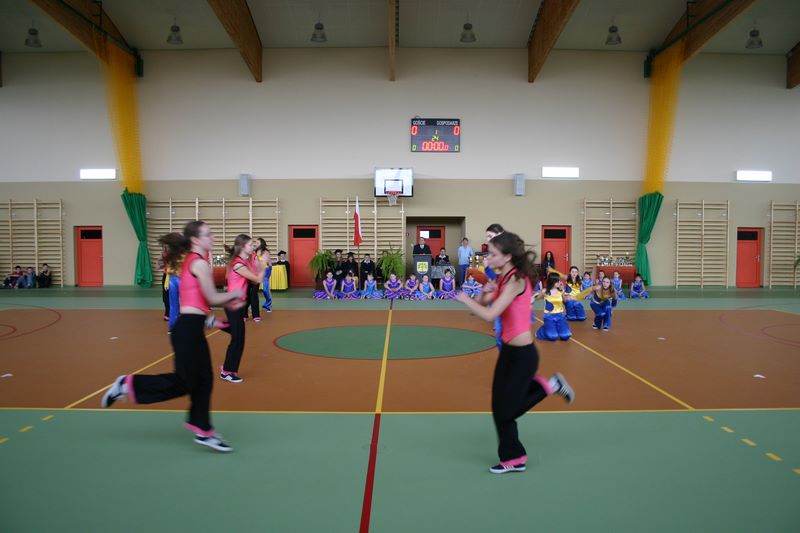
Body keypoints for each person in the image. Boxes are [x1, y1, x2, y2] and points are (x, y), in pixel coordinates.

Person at [100, 221, 244, 452]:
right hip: (187, 330)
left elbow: (195, 301)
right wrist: (235, 294)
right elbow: (211, 298)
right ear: (195, 239)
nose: (213, 237)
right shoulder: (199, 263)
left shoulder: (191, 261)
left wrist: (211, 319)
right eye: (208, 234)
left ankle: (203, 429)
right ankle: (126, 384)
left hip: (191, 328)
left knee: (204, 379)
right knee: (184, 382)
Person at [455, 231, 574, 474]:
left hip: (523, 356)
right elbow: (483, 303)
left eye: (493, 254)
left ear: (507, 256)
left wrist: (466, 299)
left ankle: (549, 386)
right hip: (509, 352)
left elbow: (490, 314)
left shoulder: (516, 281)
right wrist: (483, 291)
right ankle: (514, 457)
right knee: (498, 406)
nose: (488, 258)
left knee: (506, 411)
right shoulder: (503, 277)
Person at [221, 234, 266, 383]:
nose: (253, 246)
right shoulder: (238, 264)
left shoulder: (242, 261)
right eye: (250, 245)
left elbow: (253, 279)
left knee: (237, 334)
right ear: (242, 247)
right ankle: (227, 371)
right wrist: (263, 266)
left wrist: (258, 265)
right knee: (238, 339)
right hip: (233, 304)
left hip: (238, 304)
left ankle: (215, 322)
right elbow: (257, 279)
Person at [535, 272, 572, 341]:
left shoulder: (561, 291)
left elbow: (565, 301)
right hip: (549, 316)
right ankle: (541, 331)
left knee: (566, 335)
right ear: (552, 281)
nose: (559, 282)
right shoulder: (545, 291)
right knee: (553, 337)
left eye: (559, 280)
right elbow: (535, 298)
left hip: (560, 315)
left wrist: (564, 292)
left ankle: (554, 327)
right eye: (557, 281)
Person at [255, 240, 273, 312]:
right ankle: (253, 305)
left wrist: (258, 256)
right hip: (257, 270)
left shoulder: (266, 252)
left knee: (265, 289)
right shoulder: (255, 251)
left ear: (261, 244)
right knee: (253, 289)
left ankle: (268, 304)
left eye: (257, 243)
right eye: (255, 242)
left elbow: (264, 263)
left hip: (266, 270)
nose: (255, 244)